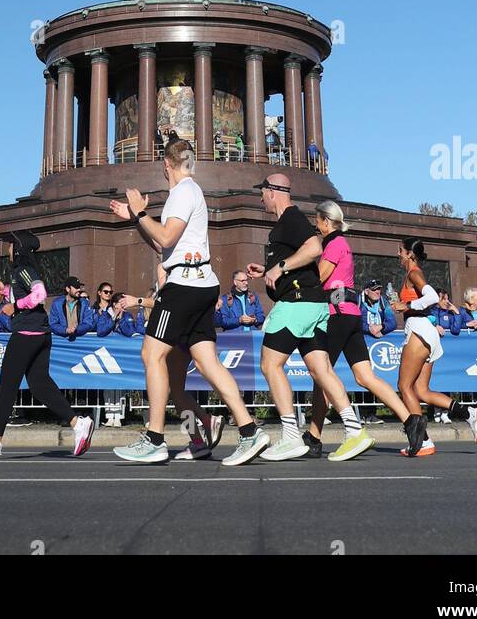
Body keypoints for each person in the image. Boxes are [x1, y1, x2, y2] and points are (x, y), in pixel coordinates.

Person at [109, 138, 269, 466]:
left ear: (166, 165)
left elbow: (165, 237)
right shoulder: (189, 194)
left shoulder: (183, 192)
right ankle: (237, 430)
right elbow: (162, 246)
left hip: (182, 286)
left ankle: (154, 439)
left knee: (150, 354)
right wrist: (135, 218)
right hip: (201, 284)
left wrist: (140, 211)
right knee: (196, 367)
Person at [245, 175, 371, 463]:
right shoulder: (287, 223)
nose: (261, 198)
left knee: (270, 364)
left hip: (297, 304)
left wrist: (279, 267)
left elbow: (314, 248)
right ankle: (355, 431)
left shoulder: (291, 217)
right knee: (321, 370)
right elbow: (296, 258)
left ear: (273, 192)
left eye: (262, 192)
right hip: (315, 304)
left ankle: (290, 436)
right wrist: (267, 270)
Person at [304, 202, 426, 459]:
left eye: (317, 221)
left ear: (326, 221)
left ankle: (314, 436)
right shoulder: (343, 244)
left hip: (336, 315)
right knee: (365, 377)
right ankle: (410, 421)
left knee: (322, 376)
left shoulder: (334, 244)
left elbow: (318, 278)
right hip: (350, 315)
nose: (316, 226)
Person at [0, 231, 93, 461]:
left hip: (26, 333)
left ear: (18, 248)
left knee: (7, 385)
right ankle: (78, 424)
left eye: (10, 245)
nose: (7, 250)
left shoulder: (23, 269)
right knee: (39, 384)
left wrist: (15, 306)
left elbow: (40, 295)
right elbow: (29, 292)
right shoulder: (24, 271)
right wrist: (6, 291)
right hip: (41, 334)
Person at [394, 239, 477, 456]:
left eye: (400, 251)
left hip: (419, 332)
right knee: (422, 391)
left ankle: (422, 440)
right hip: (428, 332)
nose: (397, 254)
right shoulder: (414, 272)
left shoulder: (414, 273)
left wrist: (406, 305)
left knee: (404, 386)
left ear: (409, 254)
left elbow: (432, 297)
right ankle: (470, 413)